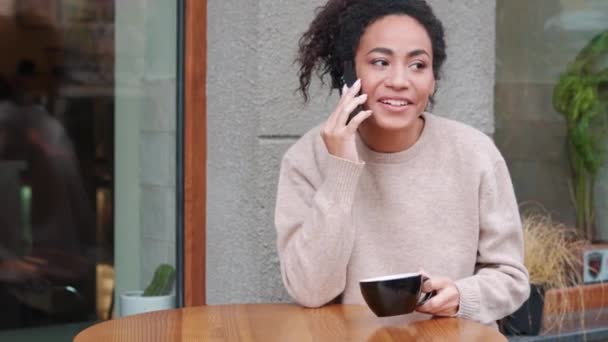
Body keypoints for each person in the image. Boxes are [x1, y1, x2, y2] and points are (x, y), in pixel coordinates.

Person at [274, 0, 530, 326]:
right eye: (380, 62)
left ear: (433, 78)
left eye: (418, 65)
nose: (399, 80)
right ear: (349, 72)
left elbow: (510, 278)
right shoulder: (307, 158)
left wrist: (461, 297)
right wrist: (341, 169)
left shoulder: (475, 153)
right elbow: (310, 290)